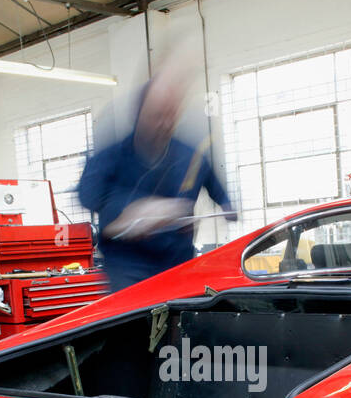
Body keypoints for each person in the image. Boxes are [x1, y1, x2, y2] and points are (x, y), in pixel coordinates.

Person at [78, 63, 235, 292]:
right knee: (135, 322)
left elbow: (212, 181)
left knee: (181, 321)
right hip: (129, 269)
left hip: (177, 264)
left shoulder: (189, 155)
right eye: (157, 116)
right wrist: (131, 210)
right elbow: (87, 193)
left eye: (171, 115)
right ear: (139, 114)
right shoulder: (113, 155)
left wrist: (227, 205)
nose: (165, 123)